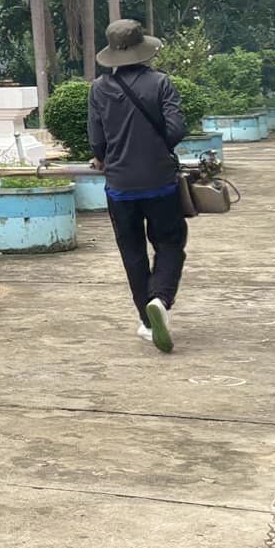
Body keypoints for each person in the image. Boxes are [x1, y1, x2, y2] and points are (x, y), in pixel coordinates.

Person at [86, 19, 188, 353]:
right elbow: (176, 129)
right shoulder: (161, 83)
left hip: (120, 187)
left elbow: (97, 139)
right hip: (161, 183)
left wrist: (103, 158)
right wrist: (157, 149)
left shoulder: (99, 88)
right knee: (170, 243)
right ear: (143, 49)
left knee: (132, 253)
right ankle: (160, 298)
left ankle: (146, 319)